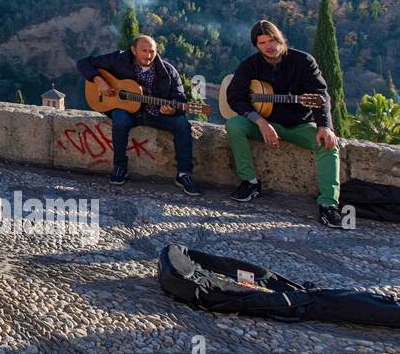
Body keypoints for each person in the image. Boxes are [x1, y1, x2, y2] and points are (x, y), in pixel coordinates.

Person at [226, 19, 344, 228]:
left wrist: (325, 125)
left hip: (299, 125)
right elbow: (234, 97)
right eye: (262, 43)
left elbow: (320, 95)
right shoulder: (250, 65)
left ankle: (328, 204)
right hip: (265, 123)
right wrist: (260, 121)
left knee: (328, 144)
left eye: (272, 40)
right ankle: (250, 182)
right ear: (256, 45)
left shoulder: (303, 61)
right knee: (234, 126)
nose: (268, 46)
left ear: (280, 39)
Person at [77, 35, 198, 194]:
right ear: (133, 50)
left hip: (157, 114)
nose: (148, 55)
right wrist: (98, 80)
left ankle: (184, 174)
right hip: (130, 113)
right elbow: (83, 63)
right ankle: (120, 167)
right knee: (120, 118)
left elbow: (180, 98)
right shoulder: (119, 59)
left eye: (152, 51)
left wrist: (174, 109)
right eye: (144, 51)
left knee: (182, 124)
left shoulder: (168, 71)